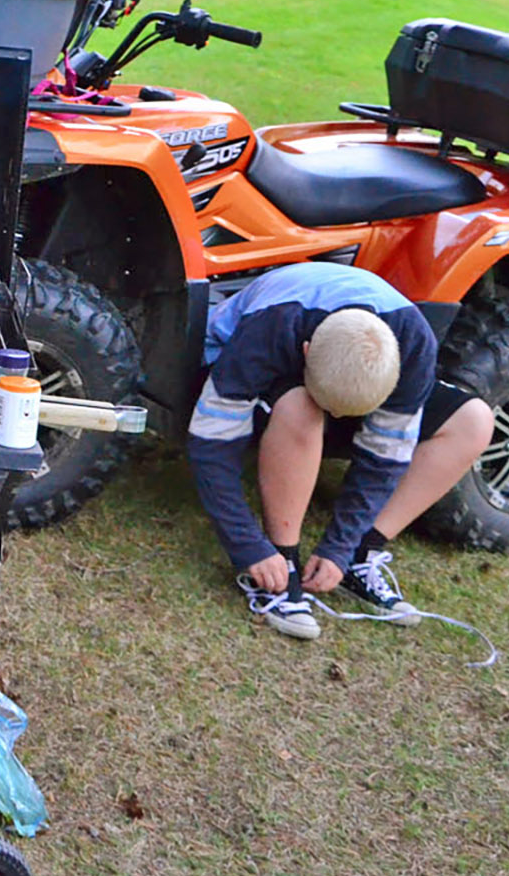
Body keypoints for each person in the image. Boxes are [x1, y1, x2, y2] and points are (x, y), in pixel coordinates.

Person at [187, 262, 492, 640]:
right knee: (303, 408)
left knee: (474, 421)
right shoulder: (268, 330)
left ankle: (361, 555)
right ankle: (283, 563)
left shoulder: (414, 345)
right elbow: (210, 447)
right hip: (239, 360)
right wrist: (248, 547)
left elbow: (383, 458)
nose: (338, 418)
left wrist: (340, 547)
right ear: (306, 351)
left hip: (345, 359)